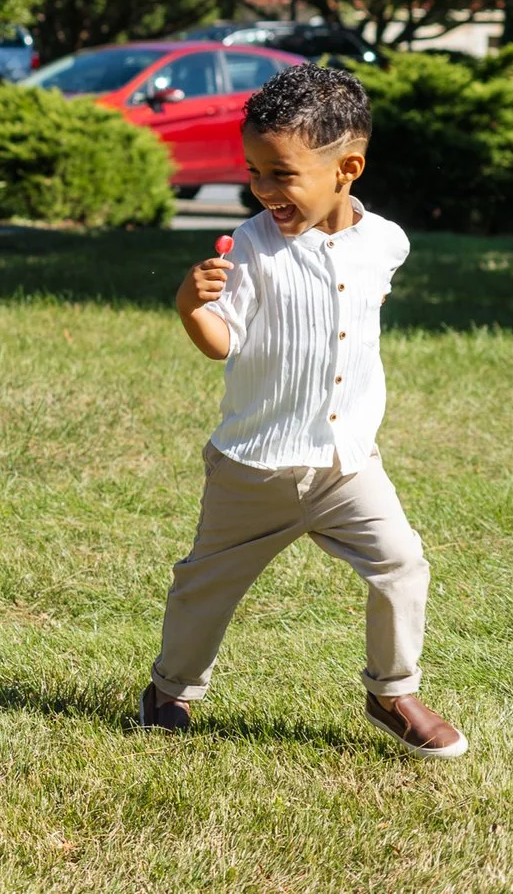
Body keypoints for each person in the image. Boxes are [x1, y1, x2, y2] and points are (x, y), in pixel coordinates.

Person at [144, 65, 467, 757]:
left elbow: (360, 302)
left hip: (349, 464)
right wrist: (189, 304)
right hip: (254, 464)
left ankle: (392, 690)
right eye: (254, 170)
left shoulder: (386, 243)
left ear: (347, 167)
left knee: (402, 563)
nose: (262, 188)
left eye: (281, 174)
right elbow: (221, 341)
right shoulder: (254, 246)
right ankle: (171, 691)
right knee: (205, 584)